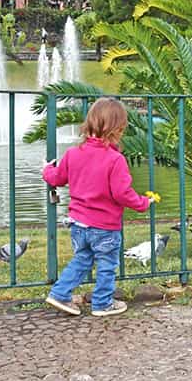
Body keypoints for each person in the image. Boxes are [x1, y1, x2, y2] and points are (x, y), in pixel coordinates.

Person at [42, 98, 153, 316]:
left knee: (82, 259)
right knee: (106, 264)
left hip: (78, 223)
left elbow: (56, 178)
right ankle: (102, 303)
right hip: (104, 226)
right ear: (118, 128)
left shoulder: (73, 154)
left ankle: (60, 293)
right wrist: (142, 203)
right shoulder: (115, 159)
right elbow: (122, 193)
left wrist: (46, 170)